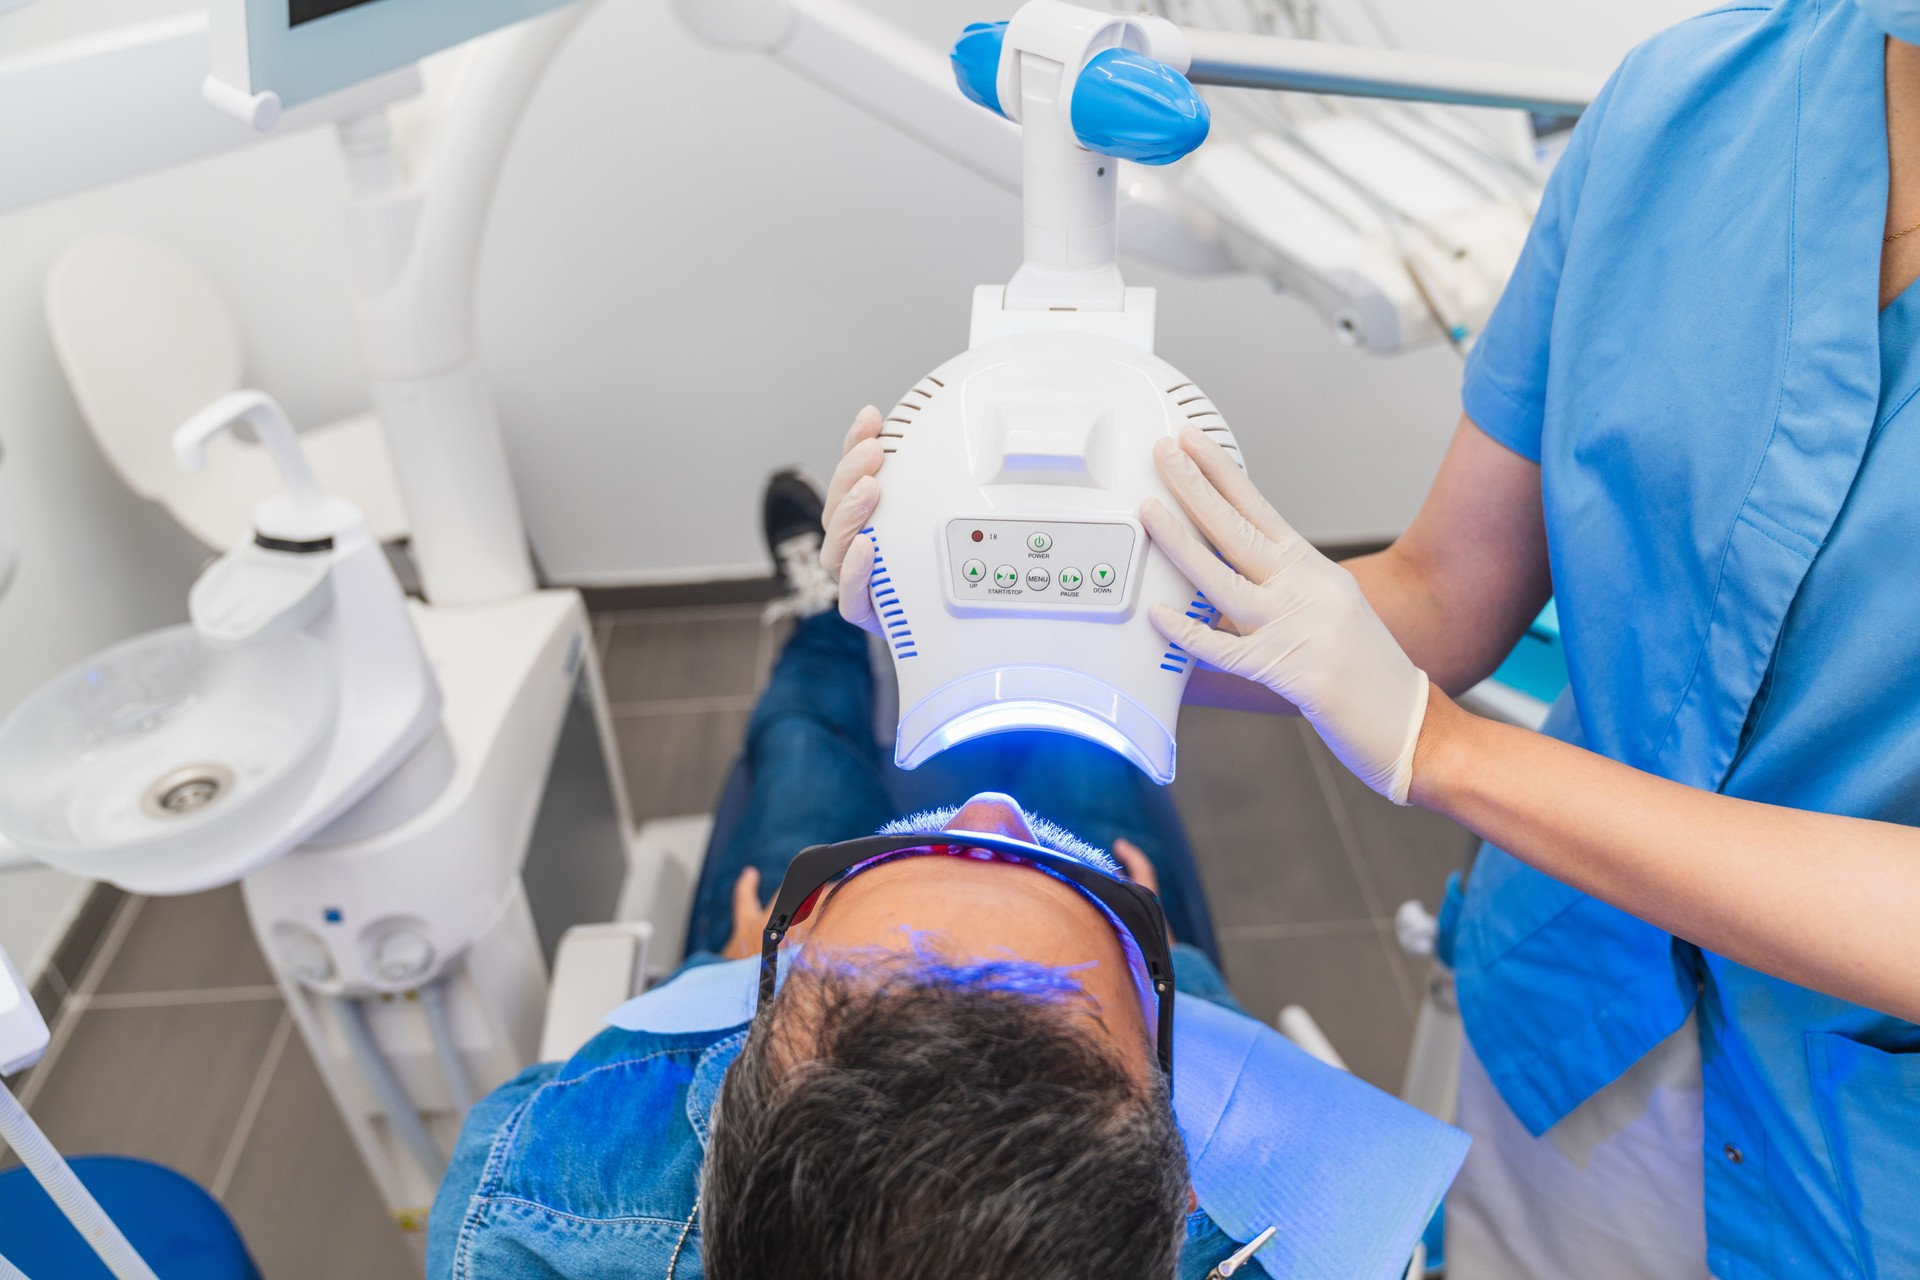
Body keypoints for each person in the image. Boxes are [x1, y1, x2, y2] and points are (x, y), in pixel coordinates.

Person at [819, 4, 1920, 1272]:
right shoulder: (1687, 111)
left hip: (1865, 1160)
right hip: (1574, 1008)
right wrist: (1035, 609)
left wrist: (1439, 749)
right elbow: (1447, 593)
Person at [427, 472, 1464, 1280]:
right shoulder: (1328, 1236)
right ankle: (1044, 649)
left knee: (798, 749)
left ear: (727, 1123)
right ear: (1181, 1186)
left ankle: (816, 628)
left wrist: (727, 966)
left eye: (817, 963)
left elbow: (528, 1133)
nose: (987, 820)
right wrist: (1176, 954)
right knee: (1079, 754)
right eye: (1053, 881)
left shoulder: (525, 1208)